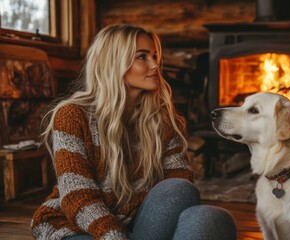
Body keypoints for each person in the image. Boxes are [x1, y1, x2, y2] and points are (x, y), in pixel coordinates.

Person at [31, 24, 237, 240]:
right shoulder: (72, 116)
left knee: (210, 216)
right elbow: (78, 196)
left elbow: (179, 185)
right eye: (142, 57)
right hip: (78, 226)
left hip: (136, 224)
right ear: (114, 63)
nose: (155, 65)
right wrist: (114, 236)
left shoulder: (162, 120)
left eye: (155, 56)